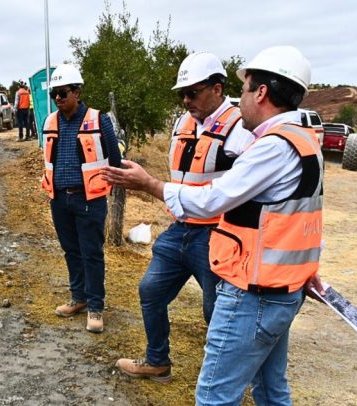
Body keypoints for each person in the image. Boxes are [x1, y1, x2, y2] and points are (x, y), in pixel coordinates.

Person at [102, 46, 326, 405]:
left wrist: (149, 184)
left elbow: (213, 199)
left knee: (215, 395)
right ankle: (158, 359)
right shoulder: (302, 141)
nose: (187, 100)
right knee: (271, 390)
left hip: (250, 284)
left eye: (247, 89)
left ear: (262, 92)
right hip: (272, 280)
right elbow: (299, 219)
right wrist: (305, 269)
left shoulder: (269, 145)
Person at [114, 52, 257, 384]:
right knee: (151, 290)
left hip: (219, 235)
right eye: (182, 93)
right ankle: (157, 361)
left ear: (218, 88)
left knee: (216, 312)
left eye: (193, 92)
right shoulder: (183, 123)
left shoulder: (241, 129)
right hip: (180, 228)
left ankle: (232, 377)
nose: (185, 99)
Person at [42, 64, 122, 333]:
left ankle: (96, 306)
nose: (58, 98)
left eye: (63, 93)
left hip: (89, 198)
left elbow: (115, 158)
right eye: (55, 94)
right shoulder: (50, 121)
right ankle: (79, 298)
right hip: (59, 199)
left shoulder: (99, 120)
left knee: (91, 253)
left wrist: (104, 186)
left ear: (77, 92)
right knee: (71, 250)